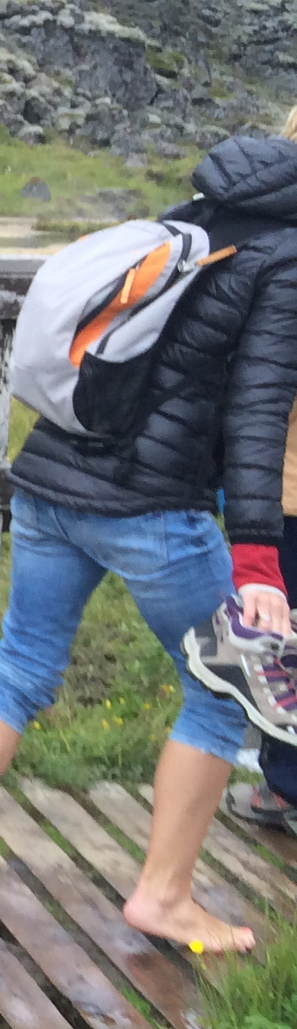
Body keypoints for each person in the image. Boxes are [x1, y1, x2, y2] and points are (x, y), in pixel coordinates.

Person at [0, 132, 297, 951]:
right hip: (153, 506)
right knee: (224, 687)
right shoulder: (286, 260)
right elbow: (258, 412)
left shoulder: (191, 219)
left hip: (52, 476)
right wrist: (258, 556)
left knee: (17, 670)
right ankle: (164, 896)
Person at [231, 103, 297, 832]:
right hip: (278, 474)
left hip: (267, 475)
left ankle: (281, 781)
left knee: (279, 638)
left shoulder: (264, 228)